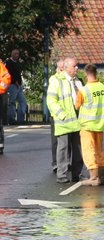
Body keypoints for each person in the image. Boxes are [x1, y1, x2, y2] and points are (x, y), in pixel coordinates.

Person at [47, 56, 83, 184]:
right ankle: (61, 175)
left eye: (77, 65)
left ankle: (76, 175)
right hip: (64, 121)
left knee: (78, 150)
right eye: (74, 66)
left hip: (77, 122)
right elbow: (51, 100)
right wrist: (61, 115)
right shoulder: (57, 81)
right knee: (63, 149)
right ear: (66, 67)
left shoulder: (78, 81)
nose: (77, 68)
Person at [75, 63, 104, 186]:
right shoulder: (102, 87)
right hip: (100, 124)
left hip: (87, 126)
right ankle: (101, 175)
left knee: (88, 151)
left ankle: (93, 178)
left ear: (86, 74)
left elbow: (76, 106)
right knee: (98, 150)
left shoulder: (84, 90)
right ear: (96, 73)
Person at [4, 49, 27, 125]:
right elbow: (9, 74)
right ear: (12, 54)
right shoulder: (9, 63)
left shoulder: (17, 63)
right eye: (15, 54)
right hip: (13, 85)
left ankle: (20, 119)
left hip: (19, 85)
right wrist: (15, 81)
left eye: (18, 54)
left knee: (22, 101)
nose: (17, 55)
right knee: (12, 102)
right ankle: (11, 119)